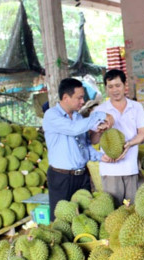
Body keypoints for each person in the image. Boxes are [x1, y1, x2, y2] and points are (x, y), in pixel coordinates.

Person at [42, 78, 114, 221]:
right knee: (60, 220)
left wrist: (100, 156)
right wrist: (100, 115)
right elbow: (73, 130)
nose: (83, 101)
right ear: (66, 98)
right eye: (79, 98)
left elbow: (85, 145)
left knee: (86, 216)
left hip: (82, 176)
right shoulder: (51, 115)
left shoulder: (78, 117)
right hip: (61, 177)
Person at [92, 69, 144, 207]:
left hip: (131, 166)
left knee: (132, 208)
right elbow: (93, 140)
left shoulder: (136, 107)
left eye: (118, 85)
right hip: (110, 168)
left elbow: (142, 133)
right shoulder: (99, 111)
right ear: (105, 88)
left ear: (124, 85)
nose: (114, 90)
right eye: (110, 87)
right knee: (114, 210)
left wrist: (128, 144)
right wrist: (100, 130)